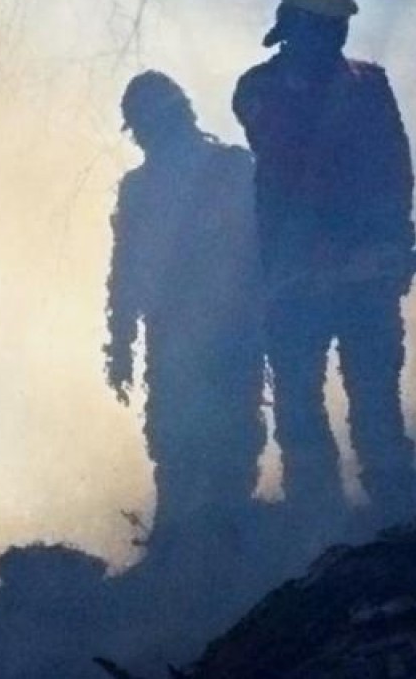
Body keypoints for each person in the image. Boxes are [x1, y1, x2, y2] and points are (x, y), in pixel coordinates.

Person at [232, 0, 416, 523]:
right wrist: (329, 251)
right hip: (296, 278)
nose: (334, 33)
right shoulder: (261, 91)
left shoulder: (367, 86)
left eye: (336, 23)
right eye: (324, 22)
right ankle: (319, 526)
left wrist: (391, 244)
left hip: (360, 273)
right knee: (300, 408)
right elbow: (286, 162)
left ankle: (395, 520)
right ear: (298, 24)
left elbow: (394, 172)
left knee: (374, 402)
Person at [104, 71, 266, 552]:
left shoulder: (223, 170)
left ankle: (198, 542)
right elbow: (127, 270)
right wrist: (120, 343)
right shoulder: (230, 167)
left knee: (196, 437)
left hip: (206, 329)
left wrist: (120, 344)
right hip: (208, 329)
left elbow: (126, 271)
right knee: (200, 435)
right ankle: (202, 538)